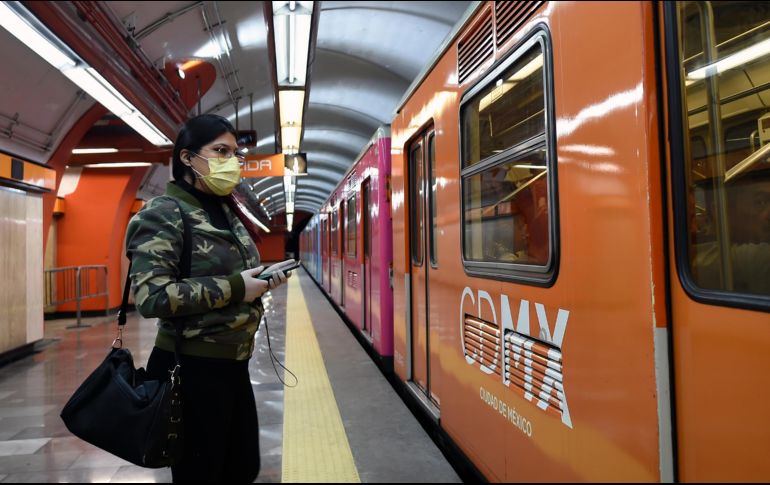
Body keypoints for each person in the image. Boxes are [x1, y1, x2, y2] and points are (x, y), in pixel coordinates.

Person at [125, 114, 295, 483]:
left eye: (235, 153)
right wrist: (237, 287)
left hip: (232, 365)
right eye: (220, 151)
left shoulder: (226, 213)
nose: (231, 161)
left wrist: (261, 281)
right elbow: (151, 297)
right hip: (190, 368)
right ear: (187, 158)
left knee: (241, 468)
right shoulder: (163, 214)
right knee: (201, 473)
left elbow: (232, 276)